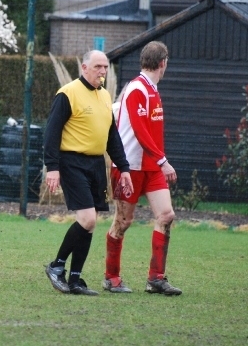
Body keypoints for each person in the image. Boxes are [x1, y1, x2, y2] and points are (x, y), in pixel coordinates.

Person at [43, 50, 134, 295]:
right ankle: (56, 266)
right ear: (84, 68)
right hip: (71, 162)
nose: (103, 71)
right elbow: (51, 132)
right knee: (88, 219)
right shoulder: (68, 93)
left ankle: (75, 279)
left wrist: (123, 167)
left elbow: (112, 136)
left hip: (95, 165)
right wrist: (52, 168)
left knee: (89, 225)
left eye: (105, 67)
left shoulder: (105, 96)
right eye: (97, 67)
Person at [104, 41, 182, 295]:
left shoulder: (152, 89)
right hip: (129, 168)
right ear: (163, 63)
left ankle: (156, 279)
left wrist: (158, 162)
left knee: (166, 216)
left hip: (151, 168)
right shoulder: (138, 88)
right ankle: (111, 277)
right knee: (123, 222)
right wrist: (163, 160)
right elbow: (138, 131)